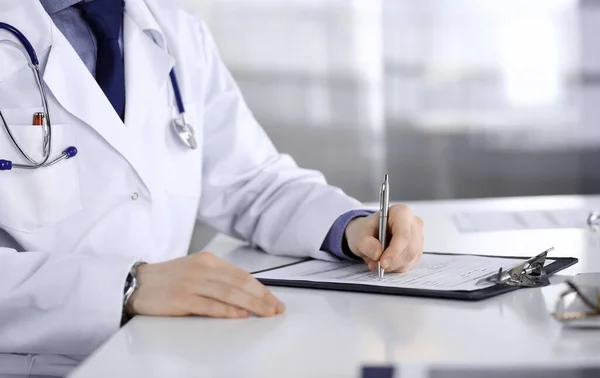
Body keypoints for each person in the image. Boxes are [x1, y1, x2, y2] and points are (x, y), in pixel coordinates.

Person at [0, 0, 424, 358]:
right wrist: (124, 287)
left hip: (165, 350)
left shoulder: (173, 29)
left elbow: (252, 181)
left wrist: (350, 226)